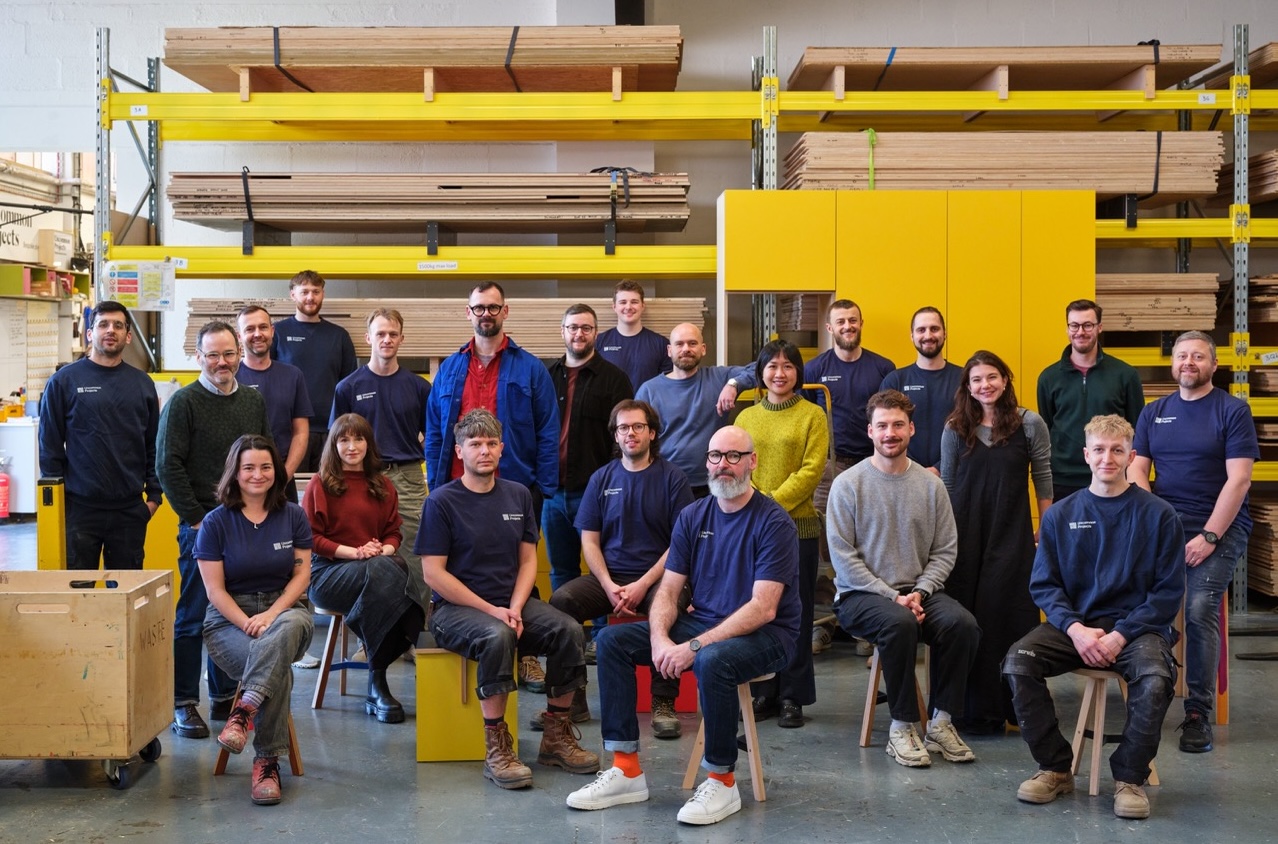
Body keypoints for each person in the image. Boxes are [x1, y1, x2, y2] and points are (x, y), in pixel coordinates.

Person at [566, 425, 799, 825]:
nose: (722, 465)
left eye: (733, 456)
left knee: (712, 661)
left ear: (752, 462)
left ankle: (723, 781)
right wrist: (659, 639)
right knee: (611, 641)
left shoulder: (773, 522)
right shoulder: (693, 516)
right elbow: (669, 591)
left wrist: (691, 647)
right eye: (715, 456)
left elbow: (763, 608)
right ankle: (626, 770)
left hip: (769, 636)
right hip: (706, 624)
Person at [1004, 414, 1183, 820]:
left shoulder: (1159, 515)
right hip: (1076, 626)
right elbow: (1045, 585)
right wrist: (1076, 629)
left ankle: (1129, 777)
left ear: (1132, 456)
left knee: (1156, 680)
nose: (1107, 458)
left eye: (1117, 450)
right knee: (1018, 662)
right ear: (1086, 455)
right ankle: (1054, 768)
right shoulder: (1059, 515)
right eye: (1099, 450)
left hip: (1137, 630)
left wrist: (1120, 636)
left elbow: (1167, 592)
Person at [417, 409, 599, 790]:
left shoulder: (518, 494)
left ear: (501, 448)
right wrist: (494, 611)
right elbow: (434, 574)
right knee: (498, 635)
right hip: (455, 610)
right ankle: (497, 748)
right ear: (459, 451)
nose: (484, 451)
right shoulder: (441, 502)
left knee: (568, 630)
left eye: (490, 444)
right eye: (475, 444)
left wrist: (515, 607)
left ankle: (556, 738)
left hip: (509, 603)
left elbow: (528, 560)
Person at [828, 389, 980, 768]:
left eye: (898, 425)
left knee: (963, 625)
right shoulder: (848, 484)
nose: (890, 433)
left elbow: (945, 551)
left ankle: (942, 722)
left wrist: (921, 591)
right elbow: (843, 558)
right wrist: (892, 597)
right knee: (898, 624)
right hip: (860, 595)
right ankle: (902, 726)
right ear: (870, 432)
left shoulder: (931, 487)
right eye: (882, 426)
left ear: (911, 429)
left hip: (920, 590)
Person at [424, 281, 561, 695]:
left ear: (506, 312)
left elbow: (548, 430)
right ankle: (473, 632)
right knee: (464, 565)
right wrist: (436, 485)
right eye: (479, 307)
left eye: (493, 307)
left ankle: (528, 653)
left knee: (517, 567)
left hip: (516, 484)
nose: (486, 313)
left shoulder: (530, 368)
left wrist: (541, 487)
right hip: (457, 490)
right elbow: (434, 431)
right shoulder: (449, 368)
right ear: (468, 313)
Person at [1132, 330, 1258, 753]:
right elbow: (1137, 473)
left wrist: (1209, 535)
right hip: (1167, 525)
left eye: (1198, 356)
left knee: (1201, 604)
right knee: (1129, 592)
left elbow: (1239, 479)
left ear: (1213, 364)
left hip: (1220, 526)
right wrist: (1157, 523)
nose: (1188, 362)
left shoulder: (1232, 411)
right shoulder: (1154, 412)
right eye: (1182, 356)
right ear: (1173, 363)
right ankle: (1146, 688)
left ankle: (1197, 712)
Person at [549, 399, 695, 738]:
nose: (630, 433)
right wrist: (609, 583)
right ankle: (572, 698)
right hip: (608, 578)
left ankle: (663, 702)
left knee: (667, 606)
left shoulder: (673, 479)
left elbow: (680, 544)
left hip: (659, 578)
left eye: (638, 427)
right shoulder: (601, 478)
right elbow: (589, 540)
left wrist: (643, 584)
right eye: (623, 428)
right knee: (562, 603)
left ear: (652, 432)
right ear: (615, 435)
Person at [157, 320, 272, 740]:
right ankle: (184, 702)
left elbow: (261, 458)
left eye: (228, 354)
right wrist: (194, 518)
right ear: (198, 358)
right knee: (191, 614)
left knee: (231, 610)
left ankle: (224, 696)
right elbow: (167, 465)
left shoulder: (251, 402)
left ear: (239, 353)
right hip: (201, 526)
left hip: (243, 525)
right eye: (212, 355)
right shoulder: (183, 403)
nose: (221, 362)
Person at [194, 435, 314, 806]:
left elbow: (302, 576)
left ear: (276, 472)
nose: (258, 474)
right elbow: (215, 591)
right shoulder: (215, 522)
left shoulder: (292, 515)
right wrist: (249, 622)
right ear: (235, 472)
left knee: (291, 626)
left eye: (265, 467)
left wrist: (272, 614)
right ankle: (266, 763)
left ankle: (243, 711)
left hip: (286, 611)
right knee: (279, 669)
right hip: (229, 620)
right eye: (249, 467)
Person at [940, 350, 1052, 733]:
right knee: (971, 621)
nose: (984, 385)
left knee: (1010, 618)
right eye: (976, 380)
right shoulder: (955, 427)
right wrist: (947, 542)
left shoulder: (1030, 423)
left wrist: (1046, 525)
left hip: (1012, 535)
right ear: (967, 388)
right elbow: (949, 486)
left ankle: (1016, 707)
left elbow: (1043, 477)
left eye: (992, 377)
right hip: (965, 539)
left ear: (1005, 380)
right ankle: (972, 711)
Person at [302, 413, 426, 724]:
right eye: (344, 439)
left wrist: (380, 551)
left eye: (359, 439)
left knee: (388, 569)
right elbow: (310, 538)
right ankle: (383, 674)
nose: (352, 446)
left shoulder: (382, 485)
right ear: (334, 444)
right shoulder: (321, 484)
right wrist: (356, 553)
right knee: (393, 572)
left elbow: (394, 533)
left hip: (374, 572)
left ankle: (377, 681)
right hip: (328, 574)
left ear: (368, 444)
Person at [735, 340, 828, 728]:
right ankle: (763, 692)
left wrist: (769, 504)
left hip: (797, 529)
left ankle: (793, 696)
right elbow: (737, 466)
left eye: (788, 366)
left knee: (798, 613)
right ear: (760, 373)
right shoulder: (745, 419)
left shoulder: (813, 416)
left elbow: (811, 471)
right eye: (772, 366)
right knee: (758, 613)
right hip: (751, 530)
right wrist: (757, 510)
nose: (779, 373)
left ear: (798, 373)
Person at [544, 304, 634, 675]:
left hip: (595, 491)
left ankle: (601, 637)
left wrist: (613, 483)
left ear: (596, 333)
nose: (578, 335)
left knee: (602, 566)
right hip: (553, 490)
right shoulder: (546, 375)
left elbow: (621, 439)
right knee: (561, 569)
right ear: (562, 331)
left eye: (585, 328)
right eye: (572, 328)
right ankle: (569, 636)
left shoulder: (615, 379)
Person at [38, 300, 162, 570]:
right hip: (80, 510)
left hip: (129, 510)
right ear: (90, 333)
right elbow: (50, 447)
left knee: (126, 596)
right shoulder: (63, 382)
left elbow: (153, 445)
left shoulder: (142, 384)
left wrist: (152, 499)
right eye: (103, 324)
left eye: (118, 325)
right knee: (78, 592)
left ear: (128, 336)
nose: (111, 330)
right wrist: (58, 505)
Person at [331, 308, 432, 595]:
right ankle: (374, 635)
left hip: (409, 478)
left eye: (392, 334)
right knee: (368, 554)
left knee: (414, 553)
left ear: (402, 339)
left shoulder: (419, 387)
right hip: (363, 478)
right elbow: (336, 443)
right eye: (380, 334)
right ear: (368, 338)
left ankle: (414, 631)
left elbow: (433, 436)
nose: (386, 340)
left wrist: (415, 453)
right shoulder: (348, 387)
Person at [1036, 299, 1144, 501]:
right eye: (1074, 325)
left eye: (1088, 325)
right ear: (1067, 328)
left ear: (1099, 327)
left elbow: (1136, 428)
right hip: (1063, 479)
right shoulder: (1048, 378)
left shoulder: (1125, 374)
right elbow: (1047, 426)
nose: (1080, 332)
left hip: (1110, 473)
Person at [633, 323, 755, 497]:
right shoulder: (649, 391)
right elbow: (637, 439)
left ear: (703, 349)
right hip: (664, 485)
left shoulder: (719, 378)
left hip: (712, 484)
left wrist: (733, 384)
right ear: (669, 350)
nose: (686, 349)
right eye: (679, 344)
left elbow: (761, 367)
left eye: (692, 343)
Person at [270, 269, 358, 472]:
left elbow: (349, 386)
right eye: (305, 291)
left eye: (316, 291)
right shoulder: (278, 332)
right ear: (293, 294)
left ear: (323, 294)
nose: (311, 297)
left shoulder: (339, 336)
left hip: (330, 432)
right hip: (288, 432)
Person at [236, 304, 312, 501]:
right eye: (249, 329)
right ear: (239, 336)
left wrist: (283, 476)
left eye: (263, 327)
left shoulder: (293, 375)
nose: (257, 334)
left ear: (272, 331)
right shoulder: (230, 377)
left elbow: (301, 432)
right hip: (240, 484)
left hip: (282, 483)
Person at [879, 306, 963, 473]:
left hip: (955, 476)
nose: (928, 335)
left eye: (934, 329)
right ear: (912, 336)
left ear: (944, 333)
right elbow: (882, 430)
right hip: (903, 475)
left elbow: (974, 429)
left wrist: (939, 468)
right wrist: (914, 471)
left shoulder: (963, 379)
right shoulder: (895, 380)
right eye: (921, 330)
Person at [597, 280, 673, 390]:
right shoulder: (599, 342)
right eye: (623, 302)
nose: (628, 307)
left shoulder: (661, 344)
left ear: (643, 306)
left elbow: (668, 386)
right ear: (614, 307)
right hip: (610, 407)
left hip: (647, 407)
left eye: (634, 302)